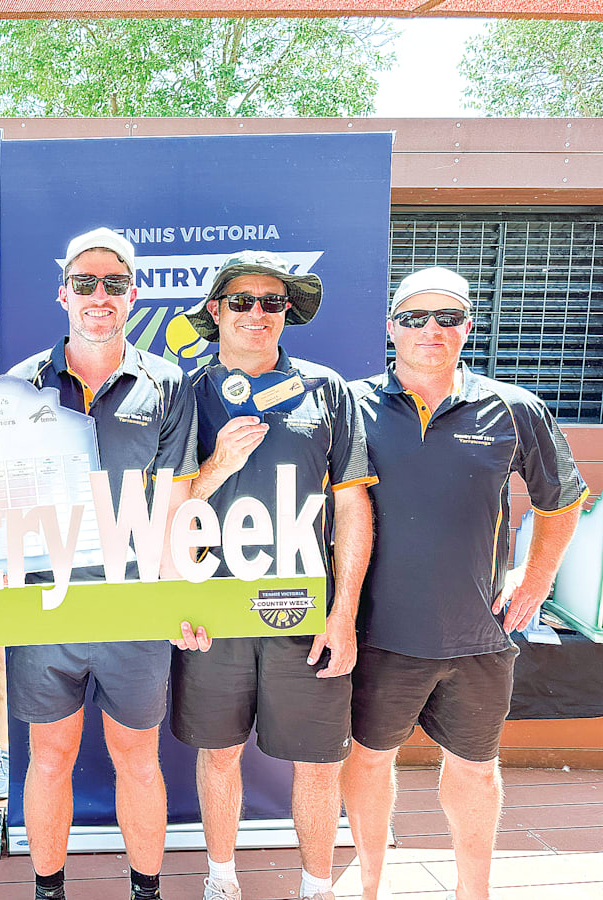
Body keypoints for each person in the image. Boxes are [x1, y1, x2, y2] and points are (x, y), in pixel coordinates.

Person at [341, 266, 587, 900]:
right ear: (391, 327)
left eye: (447, 318)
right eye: (416, 318)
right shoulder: (350, 405)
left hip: (477, 634)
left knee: (476, 771)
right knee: (367, 762)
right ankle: (368, 886)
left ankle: (472, 892)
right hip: (378, 633)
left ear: (467, 328)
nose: (432, 330)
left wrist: (536, 582)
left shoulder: (513, 407)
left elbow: (562, 499)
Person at [171, 250, 376, 900]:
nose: (257, 312)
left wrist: (344, 616)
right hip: (216, 609)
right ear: (215, 311)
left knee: (319, 762)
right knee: (220, 752)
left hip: (303, 610)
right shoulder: (185, 392)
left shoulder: (328, 389)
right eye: (241, 300)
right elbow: (165, 510)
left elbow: (352, 505)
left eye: (272, 301)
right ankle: (222, 880)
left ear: (287, 312)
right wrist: (217, 466)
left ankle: (317, 887)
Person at [6, 227, 199, 900]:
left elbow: (177, 504)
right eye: (85, 283)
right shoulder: (20, 385)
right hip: (45, 609)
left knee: (138, 762)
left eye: (113, 284)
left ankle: (146, 890)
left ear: (132, 296)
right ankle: (47, 890)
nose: (99, 296)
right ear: (63, 293)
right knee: (49, 760)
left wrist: (179, 602)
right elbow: (3, 508)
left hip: (132, 608)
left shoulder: (168, 383)